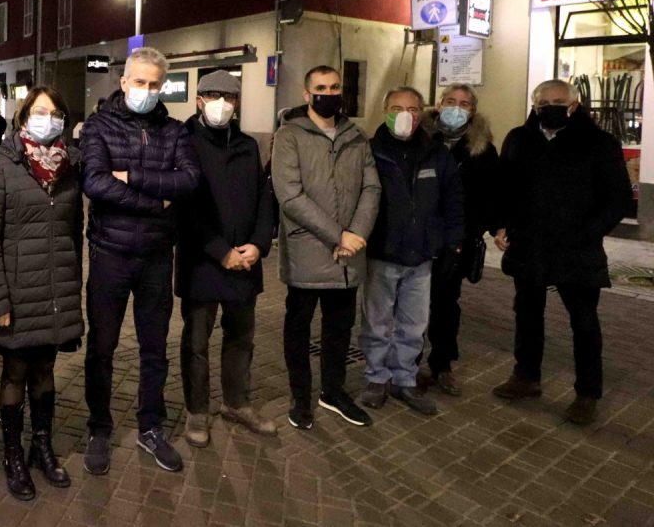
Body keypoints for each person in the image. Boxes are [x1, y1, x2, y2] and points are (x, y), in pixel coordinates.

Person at [80, 47, 201, 475]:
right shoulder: (99, 126)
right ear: (124, 82)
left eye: (154, 84)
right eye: (140, 82)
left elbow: (188, 180)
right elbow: (94, 182)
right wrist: (158, 202)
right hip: (109, 253)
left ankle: (151, 427)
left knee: (154, 349)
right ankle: (99, 427)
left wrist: (131, 177)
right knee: (103, 347)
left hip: (155, 257)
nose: (146, 91)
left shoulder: (175, 131)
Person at [493, 79, 630, 425]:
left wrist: (589, 234)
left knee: (584, 322)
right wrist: (501, 225)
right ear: (534, 104)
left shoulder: (599, 143)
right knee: (526, 314)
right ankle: (526, 377)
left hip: (577, 250)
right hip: (529, 246)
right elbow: (504, 188)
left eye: (558, 101)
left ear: (574, 104)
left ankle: (587, 393)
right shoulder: (519, 139)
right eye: (543, 101)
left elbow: (617, 199)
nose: (550, 106)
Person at [0, 86, 84, 500]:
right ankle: (12, 455)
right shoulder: (1, 167)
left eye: (56, 112)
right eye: (41, 111)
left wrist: (72, 285)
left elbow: (75, 231)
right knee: (15, 373)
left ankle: (41, 446)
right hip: (17, 294)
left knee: (45, 371)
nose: (49, 118)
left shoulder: (70, 167)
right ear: (23, 118)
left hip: (55, 291)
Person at [272, 65, 380, 430]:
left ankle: (333, 392)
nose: (329, 93)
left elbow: (371, 188)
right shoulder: (289, 135)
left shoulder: (355, 136)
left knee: (339, 329)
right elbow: (290, 196)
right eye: (321, 87)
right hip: (310, 252)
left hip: (349, 255)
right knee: (298, 329)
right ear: (307, 94)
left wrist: (357, 234)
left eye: (335, 87)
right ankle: (300, 398)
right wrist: (339, 236)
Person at [177, 71, 277, 445]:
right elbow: (186, 207)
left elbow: (264, 198)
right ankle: (197, 412)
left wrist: (258, 244)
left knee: (241, 337)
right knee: (196, 342)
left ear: (237, 103)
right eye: (212, 94)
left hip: (245, 261)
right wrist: (220, 251)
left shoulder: (248, 146)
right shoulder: (183, 141)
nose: (221, 102)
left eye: (229, 96)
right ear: (199, 100)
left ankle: (236, 402)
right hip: (203, 260)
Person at [359, 87, 463, 416]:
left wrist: (452, 241)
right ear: (384, 110)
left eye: (412, 108)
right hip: (382, 252)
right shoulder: (370, 152)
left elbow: (453, 200)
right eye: (396, 107)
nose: (405, 114)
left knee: (413, 323)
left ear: (422, 113)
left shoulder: (436, 154)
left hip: (421, 255)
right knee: (377, 322)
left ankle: (405, 379)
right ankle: (377, 378)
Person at [420, 83, 500, 396]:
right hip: (418, 236)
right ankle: (406, 363)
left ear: (473, 110)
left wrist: (488, 228)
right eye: (450, 101)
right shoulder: (420, 139)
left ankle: (441, 364)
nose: (456, 107)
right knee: (410, 304)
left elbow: (491, 196)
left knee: (446, 304)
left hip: (455, 239)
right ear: (438, 104)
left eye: (464, 103)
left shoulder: (482, 149)